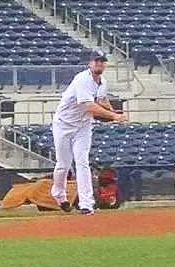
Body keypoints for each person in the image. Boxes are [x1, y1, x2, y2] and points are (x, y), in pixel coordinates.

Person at [51, 49, 127, 215]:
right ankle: (58, 193)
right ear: (90, 63)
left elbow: (102, 100)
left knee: (82, 162)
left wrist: (114, 112)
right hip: (63, 124)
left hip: (83, 125)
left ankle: (86, 204)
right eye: (96, 61)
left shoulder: (103, 82)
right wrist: (114, 116)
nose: (99, 63)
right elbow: (90, 106)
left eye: (102, 61)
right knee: (63, 165)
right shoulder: (82, 79)